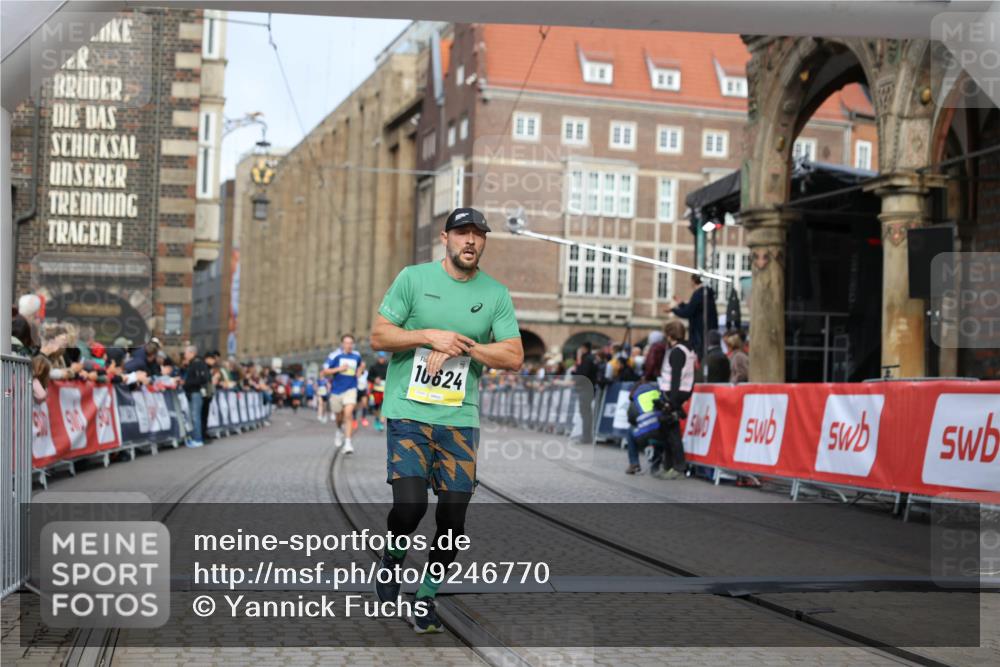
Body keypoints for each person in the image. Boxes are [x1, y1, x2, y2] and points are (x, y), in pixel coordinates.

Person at [370, 207, 523, 634]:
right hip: (409, 412)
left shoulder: (495, 294)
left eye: (478, 234)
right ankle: (393, 558)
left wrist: (462, 346)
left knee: (453, 520)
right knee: (410, 506)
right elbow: (379, 336)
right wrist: (428, 336)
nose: (470, 241)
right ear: (445, 238)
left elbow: (513, 355)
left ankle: (426, 596)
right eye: (462, 233)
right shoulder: (413, 279)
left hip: (459, 418)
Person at [654, 320, 697, 479]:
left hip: (673, 394)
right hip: (679, 393)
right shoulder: (687, 349)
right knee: (668, 432)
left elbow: (675, 378)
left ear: (670, 335)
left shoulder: (677, 352)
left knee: (672, 434)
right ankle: (668, 465)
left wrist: (671, 403)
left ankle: (677, 467)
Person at [323, 334, 365, 454]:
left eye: (351, 343)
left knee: (348, 414)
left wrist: (359, 372)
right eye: (346, 343)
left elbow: (361, 365)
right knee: (339, 416)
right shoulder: (335, 355)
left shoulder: (356, 355)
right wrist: (339, 369)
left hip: (351, 389)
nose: (349, 345)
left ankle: (348, 443)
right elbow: (325, 371)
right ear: (342, 344)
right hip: (336, 390)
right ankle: (338, 430)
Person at [672, 274, 718, 360]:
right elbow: (694, 309)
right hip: (706, 330)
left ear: (693, 281)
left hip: (699, 333)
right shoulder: (706, 293)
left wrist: (674, 310)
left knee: (700, 356)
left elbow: (688, 312)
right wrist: (681, 304)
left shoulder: (699, 294)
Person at [181, 345, 210, 448]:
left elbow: (202, 379)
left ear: (192, 353)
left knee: (195, 416)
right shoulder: (192, 363)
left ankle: (198, 439)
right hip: (191, 392)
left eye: (186, 353)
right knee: (193, 416)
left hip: (196, 392)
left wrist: (186, 383)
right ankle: (195, 438)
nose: (185, 355)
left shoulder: (198, 363)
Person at [571, 342, 598, 444]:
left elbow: (583, 374)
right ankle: (587, 436)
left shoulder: (586, 359)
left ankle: (586, 437)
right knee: (587, 413)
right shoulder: (592, 358)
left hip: (586, 388)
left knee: (585, 413)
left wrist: (575, 377)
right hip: (590, 387)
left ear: (584, 348)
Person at [369, 351, 389, 431]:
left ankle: (381, 422)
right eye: (380, 357)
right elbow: (369, 377)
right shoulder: (373, 367)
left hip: (385, 390)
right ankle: (377, 419)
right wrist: (374, 379)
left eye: (383, 357)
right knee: (377, 407)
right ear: (378, 358)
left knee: (384, 406)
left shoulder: (388, 366)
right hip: (376, 390)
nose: (381, 359)